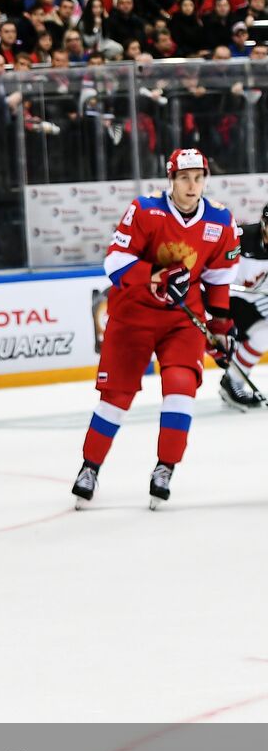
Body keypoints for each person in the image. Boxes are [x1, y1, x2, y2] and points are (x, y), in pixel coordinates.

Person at [73, 148, 241, 509]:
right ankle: (90, 468)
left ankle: (165, 467)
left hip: (182, 320)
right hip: (133, 315)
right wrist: (155, 276)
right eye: (184, 178)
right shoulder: (146, 210)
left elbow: (218, 279)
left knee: (181, 387)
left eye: (198, 178)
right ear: (171, 180)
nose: (192, 185)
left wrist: (221, 326)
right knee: (116, 398)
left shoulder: (220, 221)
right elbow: (115, 261)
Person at [217, 202, 268, 409]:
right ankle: (232, 381)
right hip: (225, 296)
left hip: (254, 296)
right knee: (261, 334)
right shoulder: (241, 237)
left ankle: (232, 381)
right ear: (264, 223)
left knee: (263, 334)